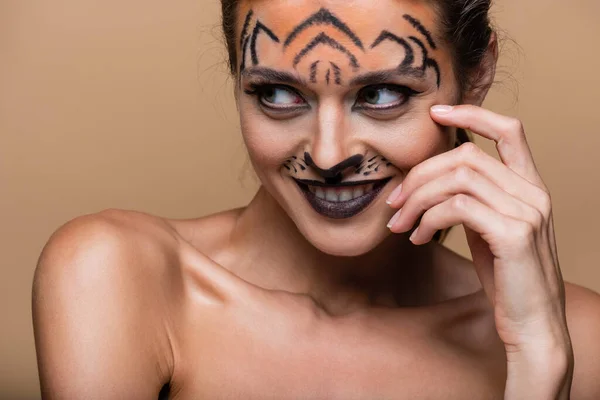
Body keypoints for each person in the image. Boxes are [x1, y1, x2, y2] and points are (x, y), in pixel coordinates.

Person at [32, 0, 600, 398]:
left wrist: (540, 365)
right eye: (277, 94)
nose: (329, 156)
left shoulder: (579, 337)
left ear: (476, 74)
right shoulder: (121, 277)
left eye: (380, 94)